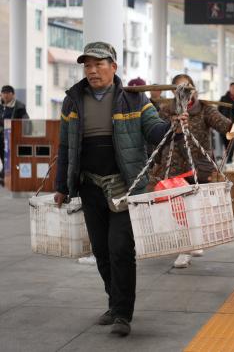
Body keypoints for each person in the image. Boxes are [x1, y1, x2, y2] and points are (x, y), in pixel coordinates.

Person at [53, 42, 188, 337]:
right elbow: (64, 145)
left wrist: (172, 127)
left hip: (125, 186)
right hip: (89, 186)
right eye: (87, 65)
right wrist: (61, 185)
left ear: (114, 67)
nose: (92, 70)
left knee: (120, 248)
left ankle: (123, 313)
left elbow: (153, 131)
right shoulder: (72, 101)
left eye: (99, 64)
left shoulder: (134, 99)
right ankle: (114, 303)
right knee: (101, 250)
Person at [149, 74, 231, 268]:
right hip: (174, 166)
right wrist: (157, 161)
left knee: (195, 208)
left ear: (194, 88)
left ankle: (193, 242)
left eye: (188, 87)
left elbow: (224, 125)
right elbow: (157, 135)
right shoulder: (166, 111)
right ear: (173, 91)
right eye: (178, 88)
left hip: (199, 168)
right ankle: (185, 248)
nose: (184, 91)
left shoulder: (204, 109)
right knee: (178, 210)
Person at [0, 85, 29, 185]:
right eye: (3, 93)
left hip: (12, 136)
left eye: (8, 93)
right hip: (1, 136)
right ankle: (4, 175)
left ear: (13, 94)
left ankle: (5, 176)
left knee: (8, 157)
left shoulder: (20, 106)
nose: (5, 96)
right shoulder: (1, 106)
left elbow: (25, 121)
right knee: (4, 158)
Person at [220, 82, 234, 162]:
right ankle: (227, 160)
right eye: (233, 88)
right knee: (226, 145)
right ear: (230, 88)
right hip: (224, 126)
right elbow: (219, 111)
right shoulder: (223, 99)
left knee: (232, 145)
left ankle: (229, 161)